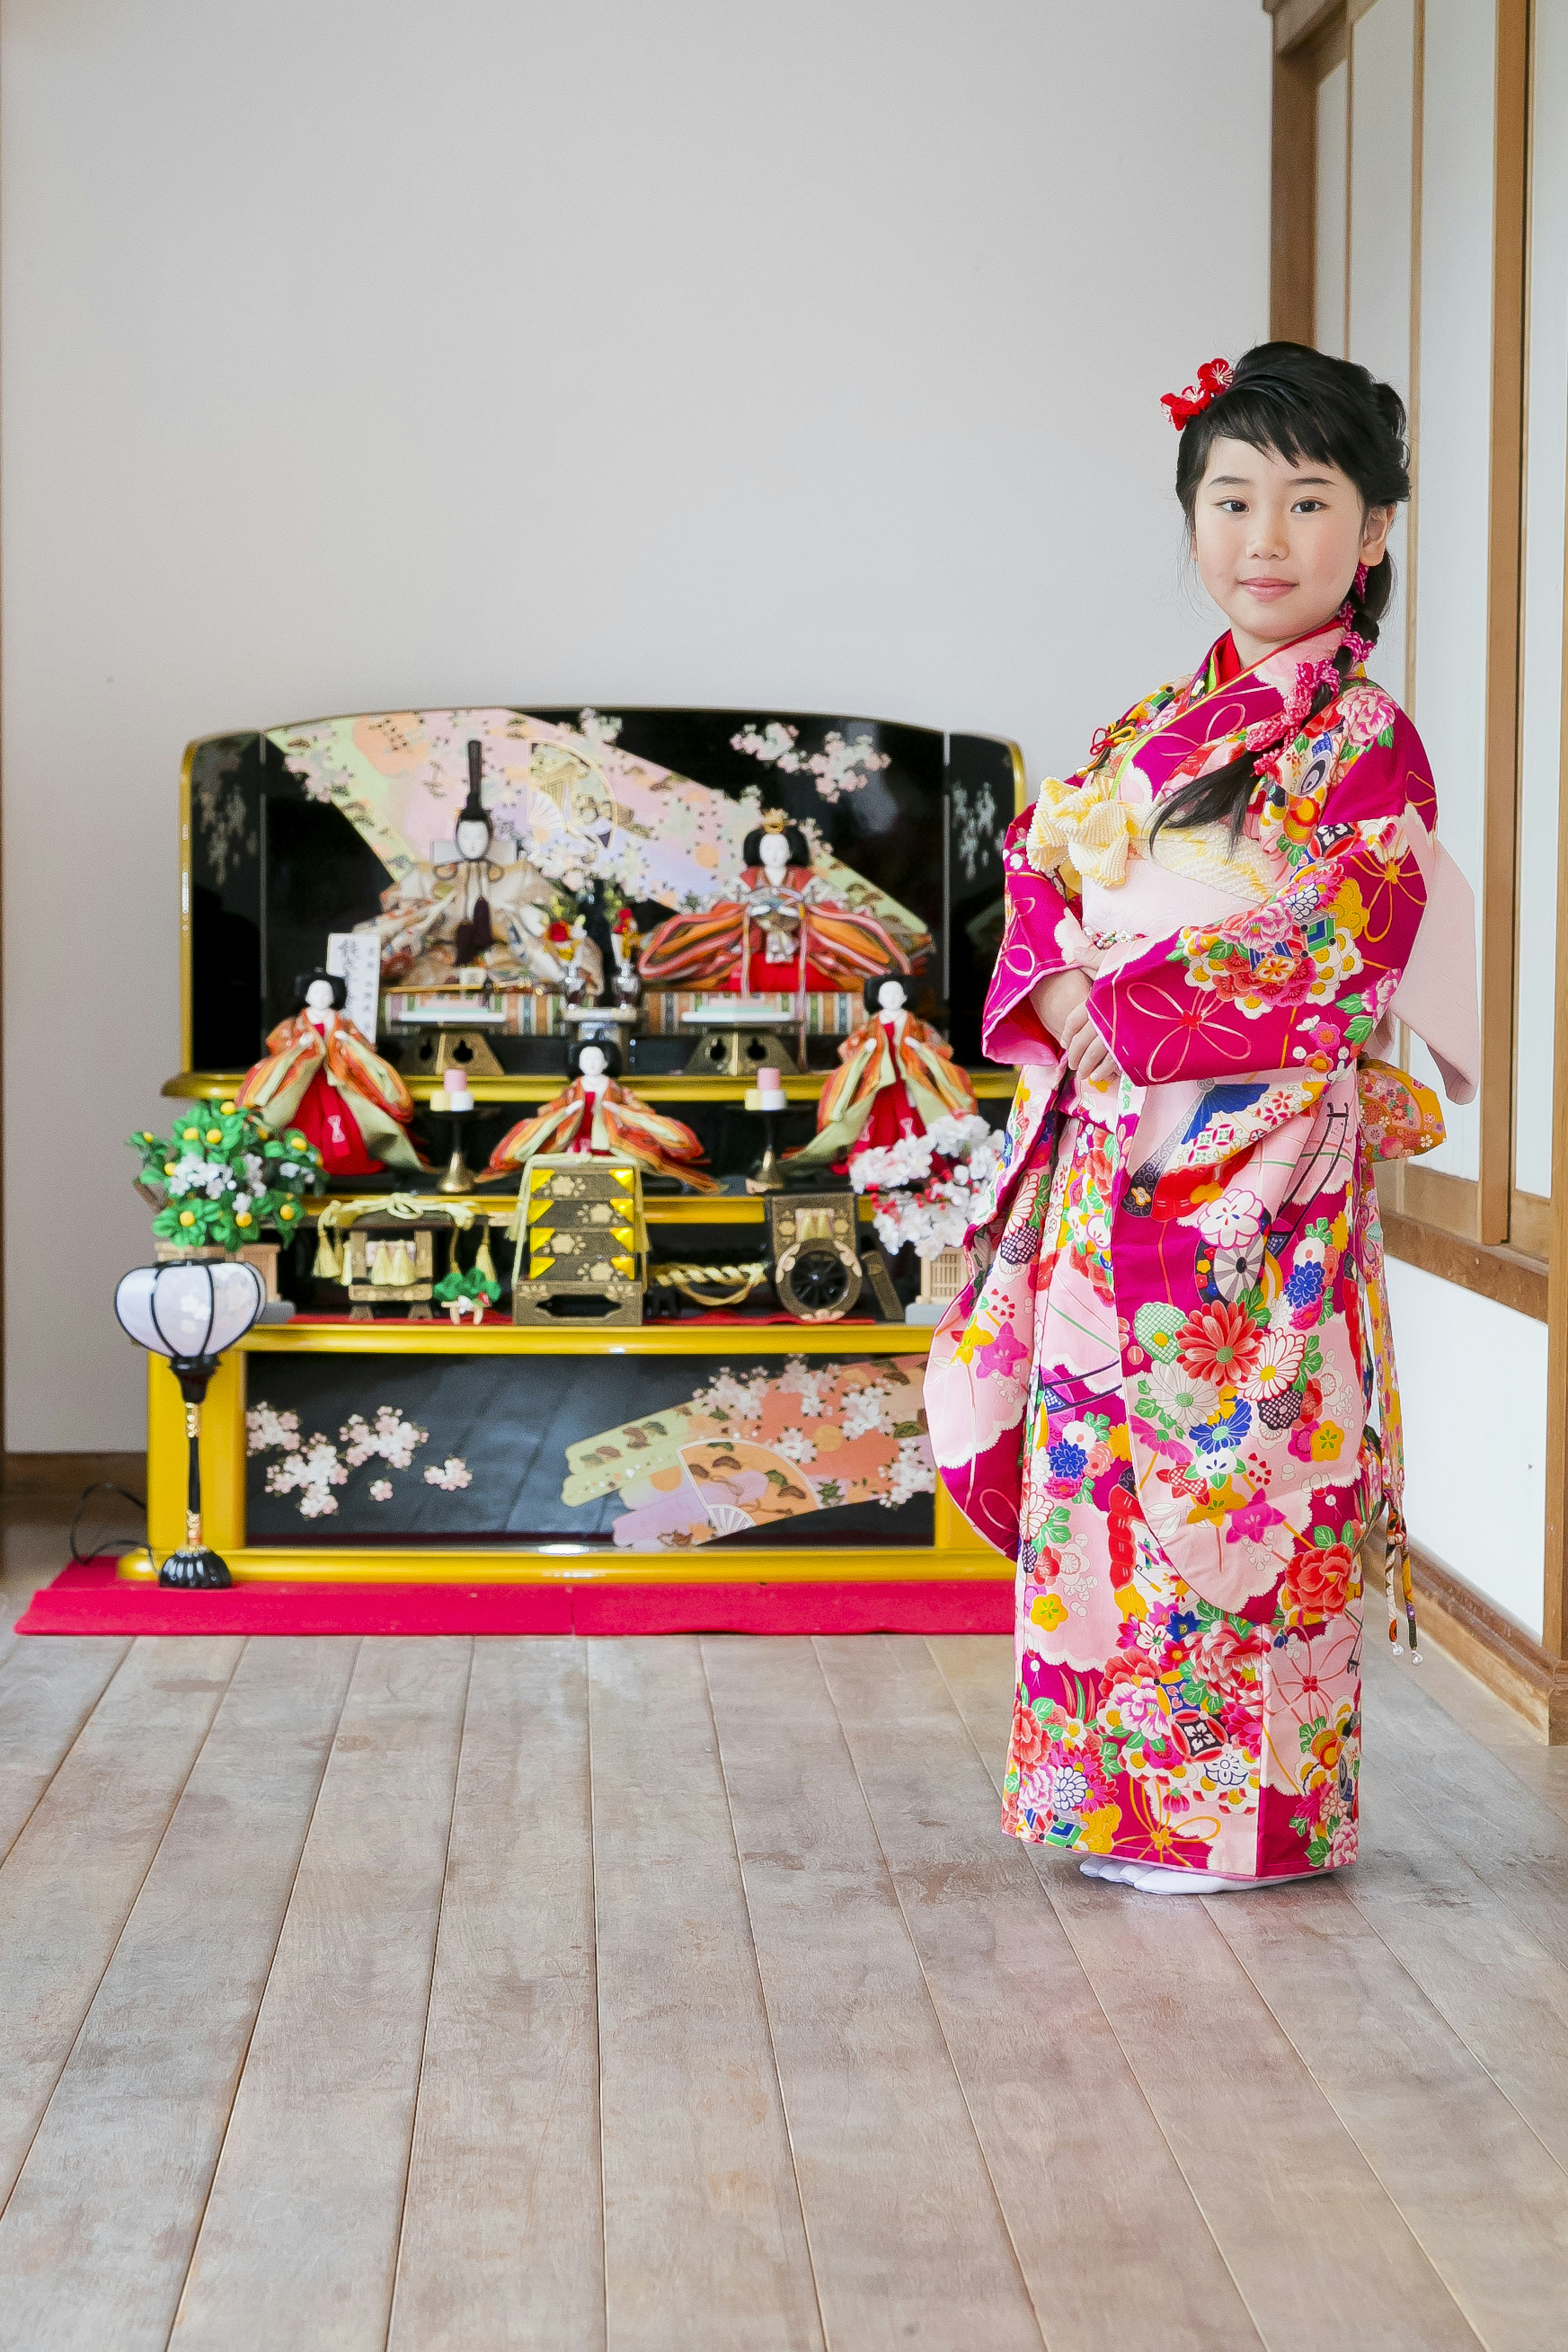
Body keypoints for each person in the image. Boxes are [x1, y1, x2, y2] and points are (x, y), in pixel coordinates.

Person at [925, 344, 1479, 1894]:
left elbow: (1338, 935)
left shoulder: (1367, 745)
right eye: (1231, 498)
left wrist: (1121, 1003)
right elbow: (1041, 870)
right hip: (1121, 1161)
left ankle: (1248, 1821)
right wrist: (1071, 989)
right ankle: (1107, 1808)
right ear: (1192, 520)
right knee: (1103, 1474)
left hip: (1260, 1182)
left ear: (1370, 534)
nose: (1264, 537)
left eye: (1309, 503)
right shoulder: (1156, 722)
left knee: (1249, 1473)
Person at [636, 814, 928, 1014]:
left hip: (802, 954)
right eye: (768, 847)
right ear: (757, 851)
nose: (775, 854)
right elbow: (717, 907)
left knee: (834, 943)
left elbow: (837, 905)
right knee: (722, 950)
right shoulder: (747, 880)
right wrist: (745, 915)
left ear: (791, 851)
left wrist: (805, 916)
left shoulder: (804, 880)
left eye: (781, 848)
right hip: (751, 954)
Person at [236, 972, 423, 1173]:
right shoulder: (294, 1025)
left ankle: (346, 1160)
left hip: (336, 1079)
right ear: (307, 997)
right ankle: (296, 1162)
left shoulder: (344, 1023)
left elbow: (364, 1048)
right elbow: (277, 1045)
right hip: (305, 1081)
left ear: (334, 997)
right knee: (299, 1121)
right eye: (316, 992)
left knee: (352, 1122)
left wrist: (348, 1042)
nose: (322, 997)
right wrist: (299, 1047)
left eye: (327, 992)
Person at [793, 975, 980, 1168]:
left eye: (897, 993)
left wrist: (919, 1048)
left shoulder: (914, 1023)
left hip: (908, 1075)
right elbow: (848, 1048)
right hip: (880, 1078)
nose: (892, 998)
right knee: (876, 1114)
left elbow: (941, 1049)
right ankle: (875, 1158)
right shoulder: (872, 1024)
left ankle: (918, 1157)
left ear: (905, 997)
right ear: (879, 999)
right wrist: (866, 1048)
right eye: (887, 994)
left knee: (916, 1111)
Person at [483, 1039, 719, 1192]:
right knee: (538, 1141)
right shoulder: (574, 1088)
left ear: (606, 1063)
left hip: (611, 1138)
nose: (592, 1063)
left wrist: (622, 1112)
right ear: (579, 1063)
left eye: (597, 1059)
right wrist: (566, 1111)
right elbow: (553, 1107)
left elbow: (641, 1109)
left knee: (641, 1155)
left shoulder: (615, 1088)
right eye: (587, 1059)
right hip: (575, 1134)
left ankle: (603, 1151)